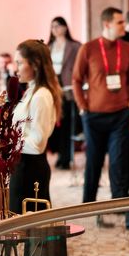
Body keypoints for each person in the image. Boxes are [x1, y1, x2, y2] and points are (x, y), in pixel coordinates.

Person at [8, 40, 73, 256]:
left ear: (34, 65)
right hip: (22, 165)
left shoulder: (42, 96)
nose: (15, 67)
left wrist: (11, 140)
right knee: (36, 234)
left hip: (31, 167)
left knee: (42, 234)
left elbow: (37, 142)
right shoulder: (31, 91)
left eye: (19, 62)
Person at [72, 7, 129, 229]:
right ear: (107, 24)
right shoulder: (89, 48)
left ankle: (119, 204)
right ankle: (88, 204)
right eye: (119, 22)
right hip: (94, 116)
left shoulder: (127, 48)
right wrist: (83, 107)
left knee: (119, 161)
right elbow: (76, 79)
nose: (124, 26)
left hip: (120, 115)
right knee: (94, 161)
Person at [46, 17, 81, 170]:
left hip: (68, 86)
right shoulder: (48, 46)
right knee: (54, 123)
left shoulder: (75, 46)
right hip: (52, 85)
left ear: (65, 27)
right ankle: (58, 153)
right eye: (52, 26)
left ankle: (66, 157)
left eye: (58, 26)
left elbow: (80, 66)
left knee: (67, 123)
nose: (55, 29)